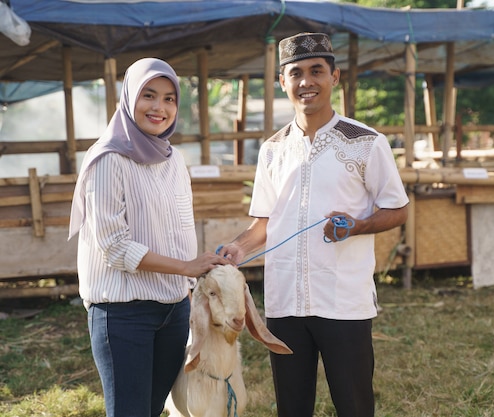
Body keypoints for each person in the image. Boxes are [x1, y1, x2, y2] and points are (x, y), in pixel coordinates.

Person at [218, 33, 410, 417]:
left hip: (344, 301)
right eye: (296, 73)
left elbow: (398, 209)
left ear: (334, 77)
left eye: (316, 71)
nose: (307, 81)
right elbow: (264, 223)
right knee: (292, 406)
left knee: (354, 404)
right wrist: (238, 249)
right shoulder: (272, 149)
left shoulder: (365, 142)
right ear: (282, 83)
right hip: (284, 302)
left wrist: (357, 225)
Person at [68, 57, 231, 417]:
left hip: (174, 310)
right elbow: (114, 246)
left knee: (153, 409)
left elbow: (178, 230)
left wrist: (191, 284)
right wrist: (187, 266)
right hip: (124, 314)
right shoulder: (108, 159)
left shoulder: (174, 159)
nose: (159, 107)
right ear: (128, 99)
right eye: (149, 95)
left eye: (170, 98)